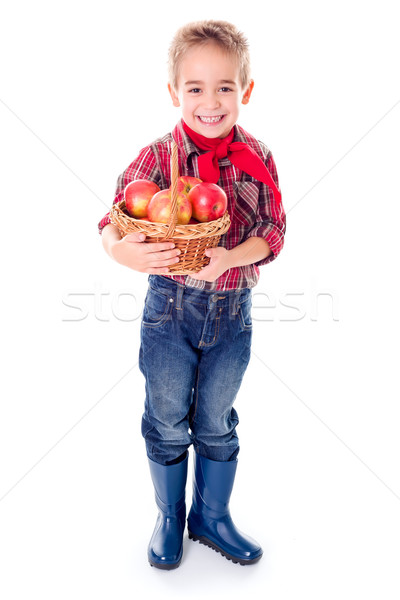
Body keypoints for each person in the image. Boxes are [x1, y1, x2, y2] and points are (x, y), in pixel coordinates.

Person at [99, 20, 286, 570]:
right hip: (169, 311)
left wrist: (229, 256)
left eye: (225, 87)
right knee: (164, 417)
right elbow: (110, 217)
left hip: (232, 313)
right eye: (196, 88)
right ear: (174, 92)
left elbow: (273, 232)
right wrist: (119, 251)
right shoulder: (158, 157)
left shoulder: (257, 156)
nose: (210, 102)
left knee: (216, 419)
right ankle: (169, 514)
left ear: (245, 92)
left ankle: (212, 515)